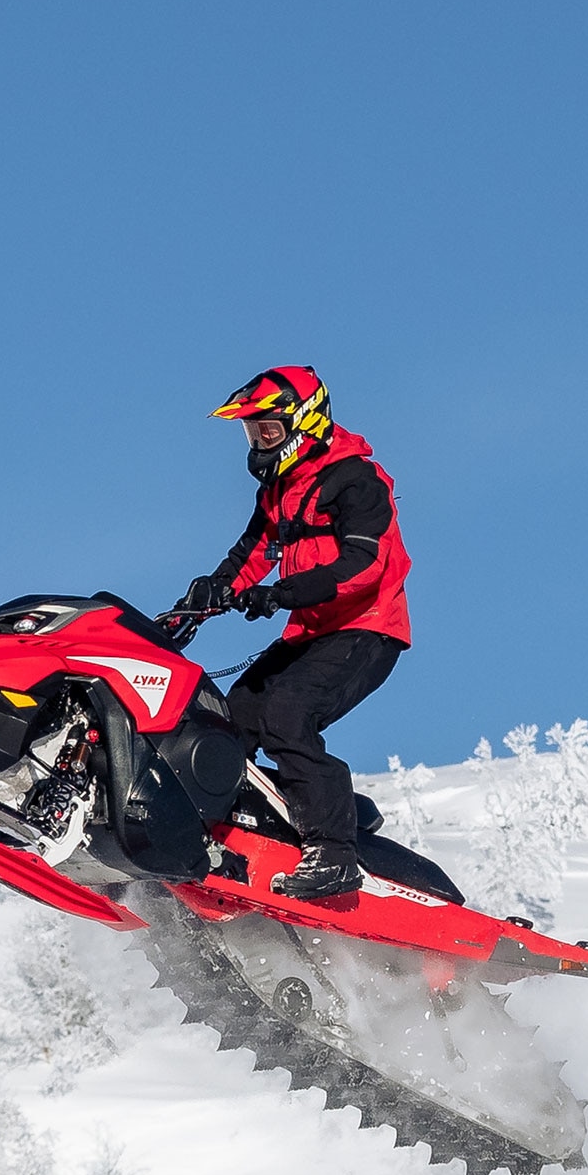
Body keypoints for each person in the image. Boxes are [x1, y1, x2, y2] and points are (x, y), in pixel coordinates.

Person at [175, 365, 412, 900]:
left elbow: (364, 564)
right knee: (230, 719)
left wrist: (283, 594)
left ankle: (333, 851)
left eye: (268, 429)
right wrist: (201, 601)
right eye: (252, 430)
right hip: (310, 631)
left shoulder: (357, 480)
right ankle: (241, 827)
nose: (258, 440)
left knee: (287, 715)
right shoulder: (281, 489)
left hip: (366, 630)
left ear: (303, 423)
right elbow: (251, 554)